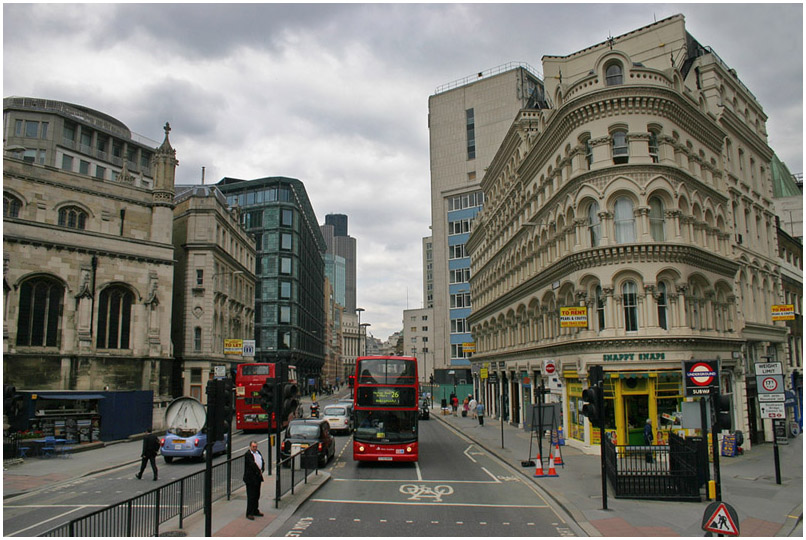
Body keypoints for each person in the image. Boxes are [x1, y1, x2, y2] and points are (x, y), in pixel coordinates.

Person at [243, 440, 265, 520]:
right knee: (251, 496)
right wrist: (258, 470)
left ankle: (255, 510)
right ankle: (249, 513)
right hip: (251, 478)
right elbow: (252, 464)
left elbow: (261, 460)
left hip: (257, 477)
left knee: (257, 495)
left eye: (256, 446)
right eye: (253, 447)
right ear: (250, 447)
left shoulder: (258, 452)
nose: (255, 448)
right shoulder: (248, 454)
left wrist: (262, 467)